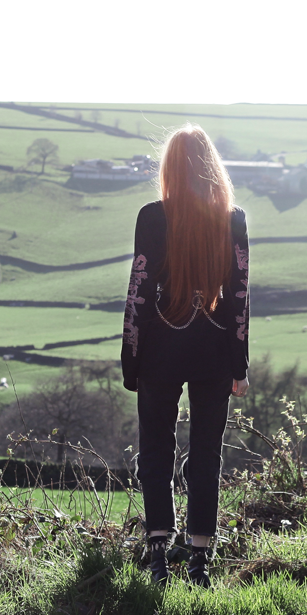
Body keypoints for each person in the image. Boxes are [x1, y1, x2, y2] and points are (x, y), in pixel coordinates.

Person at [121, 123, 249, 587]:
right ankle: (199, 563)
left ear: (170, 169)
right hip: (215, 353)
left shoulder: (152, 217)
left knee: (156, 450)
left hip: (158, 351)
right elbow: (239, 297)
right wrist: (240, 365)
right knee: (206, 456)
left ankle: (158, 560)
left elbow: (137, 293)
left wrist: (129, 361)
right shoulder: (233, 220)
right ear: (211, 167)